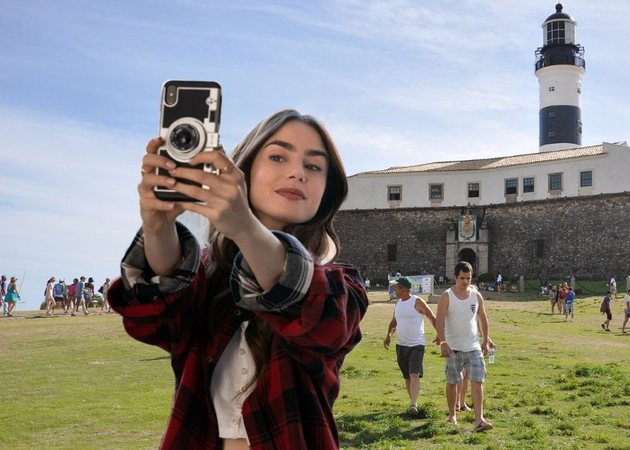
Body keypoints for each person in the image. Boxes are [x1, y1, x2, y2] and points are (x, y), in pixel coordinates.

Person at [107, 109, 368, 448]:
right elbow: (157, 314)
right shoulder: (208, 278)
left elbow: (319, 315)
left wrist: (244, 226)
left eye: (313, 166)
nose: (296, 173)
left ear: (326, 192)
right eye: (278, 156)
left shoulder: (342, 286)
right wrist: (158, 226)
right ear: (246, 169)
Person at [435, 261, 493, 432]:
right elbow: (439, 319)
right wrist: (443, 342)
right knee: (453, 382)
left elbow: (483, 318)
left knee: (477, 381)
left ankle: (479, 420)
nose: (465, 281)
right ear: (455, 277)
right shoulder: (447, 296)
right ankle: (452, 415)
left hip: (474, 347)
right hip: (453, 347)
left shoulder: (476, 295)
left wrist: (485, 340)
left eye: (468, 278)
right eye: (462, 278)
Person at [383, 276, 437, 416]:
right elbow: (394, 322)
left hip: (416, 344)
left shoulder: (417, 302)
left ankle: (414, 404)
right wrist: (389, 335)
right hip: (401, 345)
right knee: (407, 376)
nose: (394, 289)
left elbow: (432, 317)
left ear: (403, 288)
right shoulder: (398, 304)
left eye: (396, 287)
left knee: (414, 374)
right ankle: (413, 402)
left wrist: (440, 335)